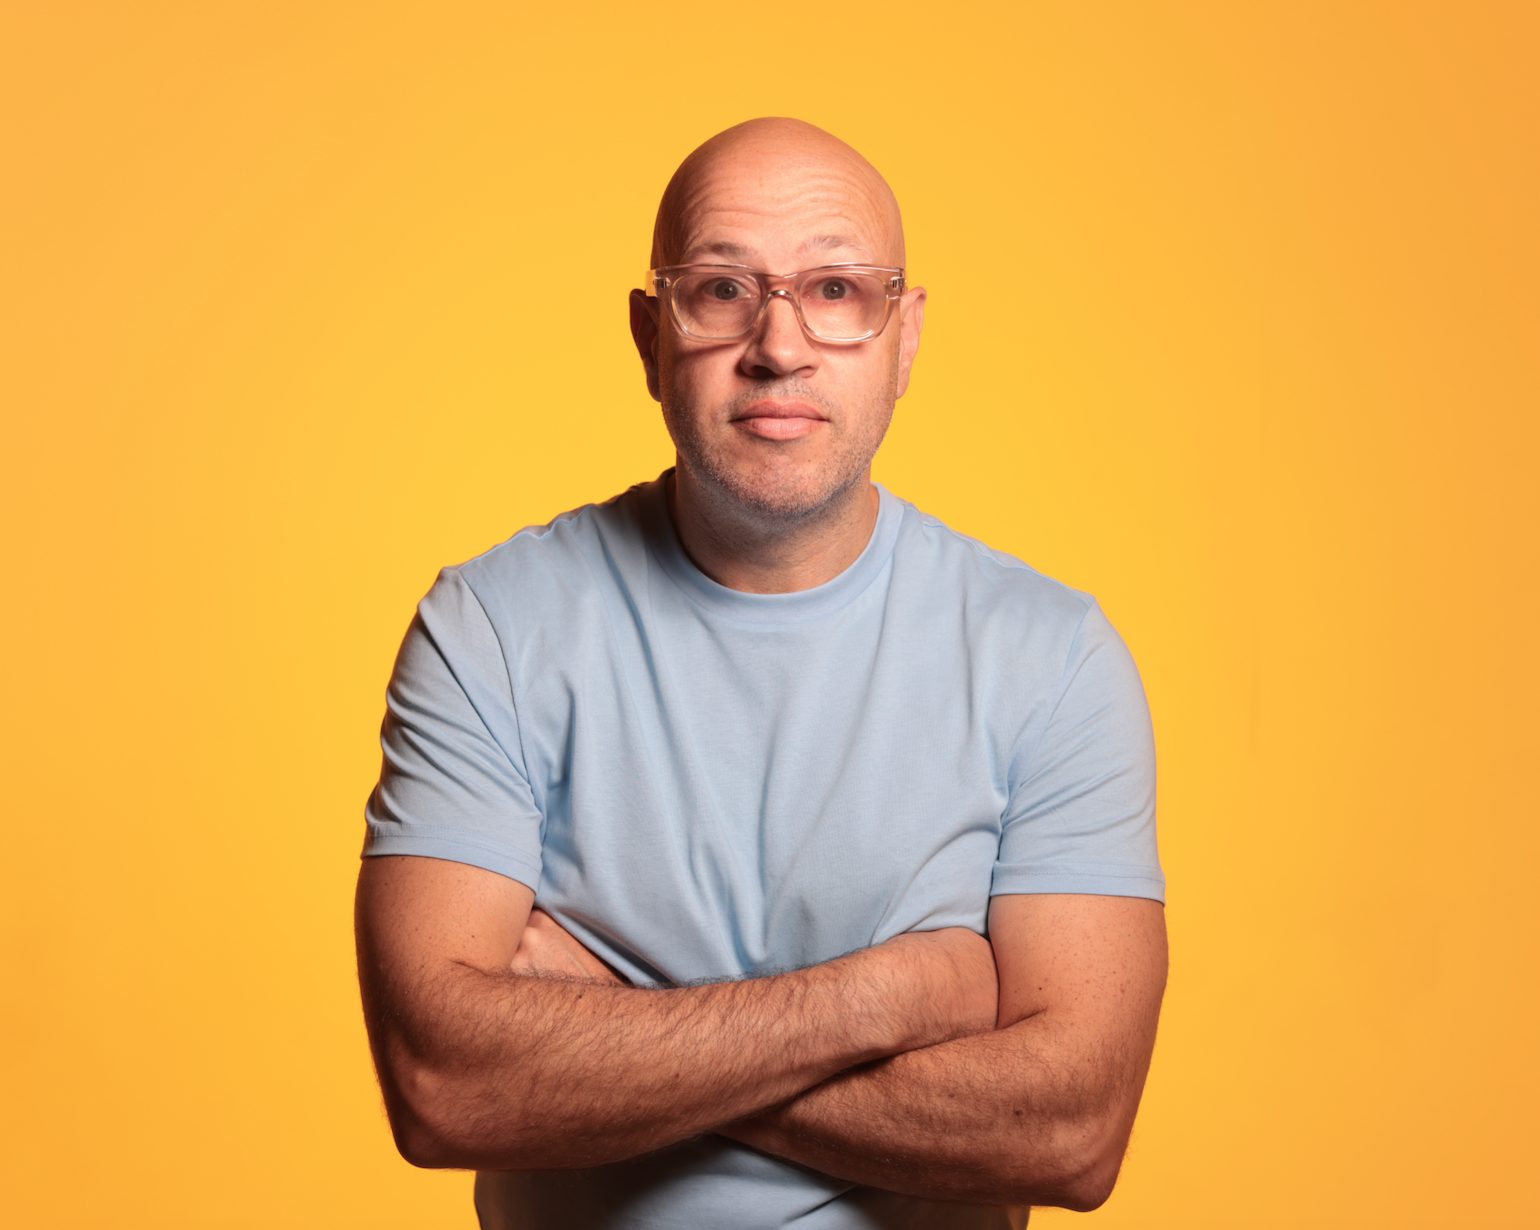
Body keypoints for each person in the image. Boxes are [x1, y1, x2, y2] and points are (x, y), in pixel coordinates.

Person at [355, 117, 1168, 1230]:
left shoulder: (1050, 657)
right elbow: (445, 1089)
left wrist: (613, 1025)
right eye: (722, 288)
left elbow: (1069, 1137)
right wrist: (894, 994)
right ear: (650, 336)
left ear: (905, 337)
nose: (779, 345)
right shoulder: (492, 628)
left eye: (837, 290)